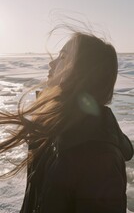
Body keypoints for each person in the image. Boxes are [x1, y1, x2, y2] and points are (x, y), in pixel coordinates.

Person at [0, 31, 133, 213]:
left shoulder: (99, 157)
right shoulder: (54, 128)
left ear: (83, 72)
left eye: (63, 57)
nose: (51, 63)